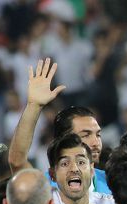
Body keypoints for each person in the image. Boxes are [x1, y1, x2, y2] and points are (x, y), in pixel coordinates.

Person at [7, 58, 111, 194]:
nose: (96, 142)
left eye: (98, 135)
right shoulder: (46, 187)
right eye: (86, 135)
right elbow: (17, 162)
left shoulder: (113, 182)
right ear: (63, 141)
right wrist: (34, 106)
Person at [44, 133, 116, 204]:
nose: (74, 169)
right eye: (65, 164)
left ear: (91, 170)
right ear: (52, 174)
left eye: (81, 162)